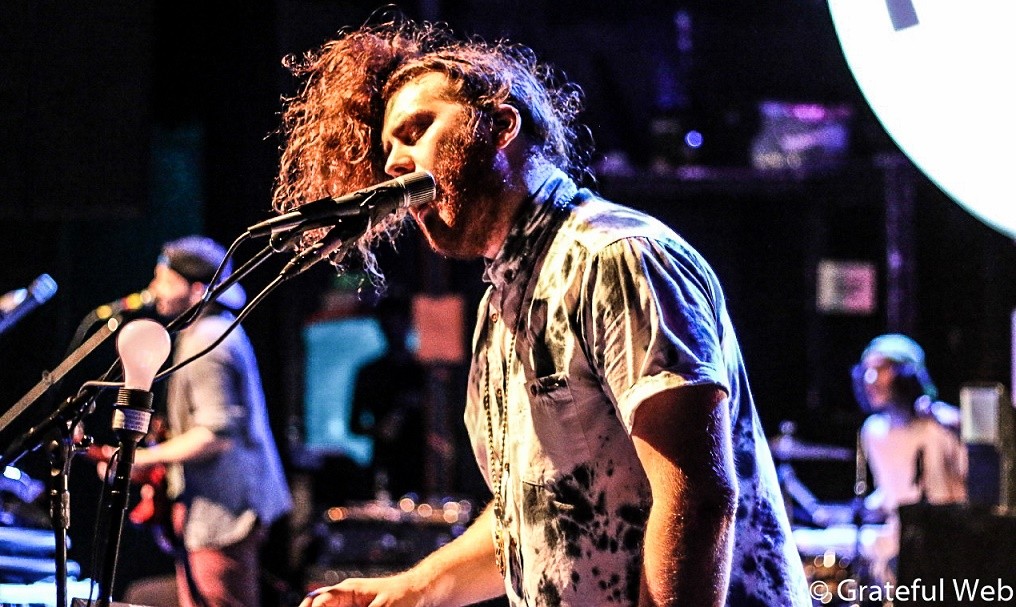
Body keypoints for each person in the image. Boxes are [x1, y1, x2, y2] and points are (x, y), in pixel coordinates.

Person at [275, 17, 809, 607]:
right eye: (388, 148)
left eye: (417, 129)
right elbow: (537, 515)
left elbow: (696, 496)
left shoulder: (615, 256)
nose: (396, 163)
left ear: (501, 125)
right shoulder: (501, 306)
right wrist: (411, 589)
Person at [100, 236, 293, 607]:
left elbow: (214, 435)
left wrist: (141, 458)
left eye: (164, 279)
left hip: (225, 511)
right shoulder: (207, 333)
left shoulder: (209, 341)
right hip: (218, 508)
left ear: (197, 289)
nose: (153, 288)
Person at [852, 333, 966, 581]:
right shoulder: (873, 432)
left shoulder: (940, 426)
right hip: (900, 540)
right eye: (867, 370)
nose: (870, 379)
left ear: (906, 374)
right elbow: (892, 493)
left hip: (945, 543)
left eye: (881, 369)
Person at [349, 293, 427, 500]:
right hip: (386, 464)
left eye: (398, 322)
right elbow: (354, 424)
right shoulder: (369, 372)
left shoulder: (424, 372)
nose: (393, 330)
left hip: (423, 465)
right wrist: (381, 429)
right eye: (388, 324)